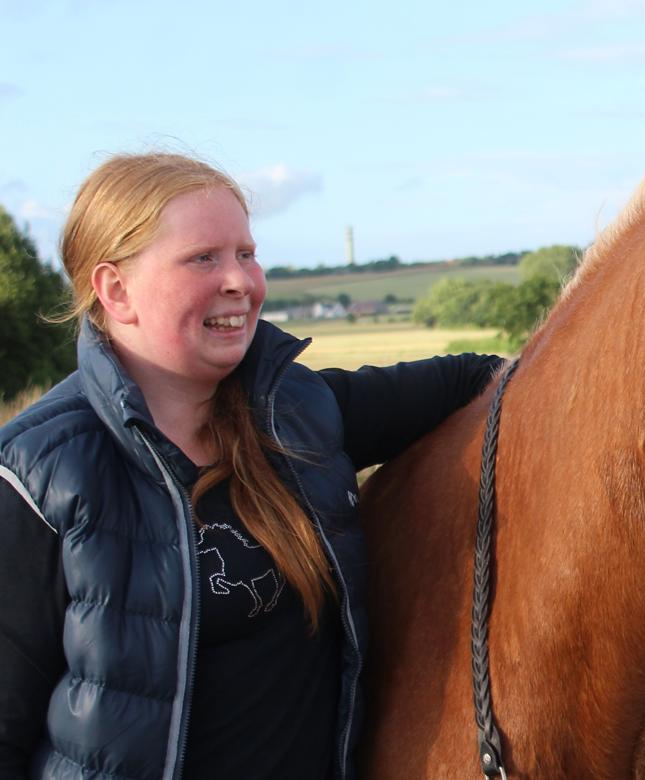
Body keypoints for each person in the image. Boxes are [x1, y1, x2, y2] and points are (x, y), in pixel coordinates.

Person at [0, 153, 503, 779]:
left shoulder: (298, 412)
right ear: (115, 289)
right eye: (203, 258)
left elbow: (474, 378)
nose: (240, 280)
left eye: (246, 253)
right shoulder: (40, 473)